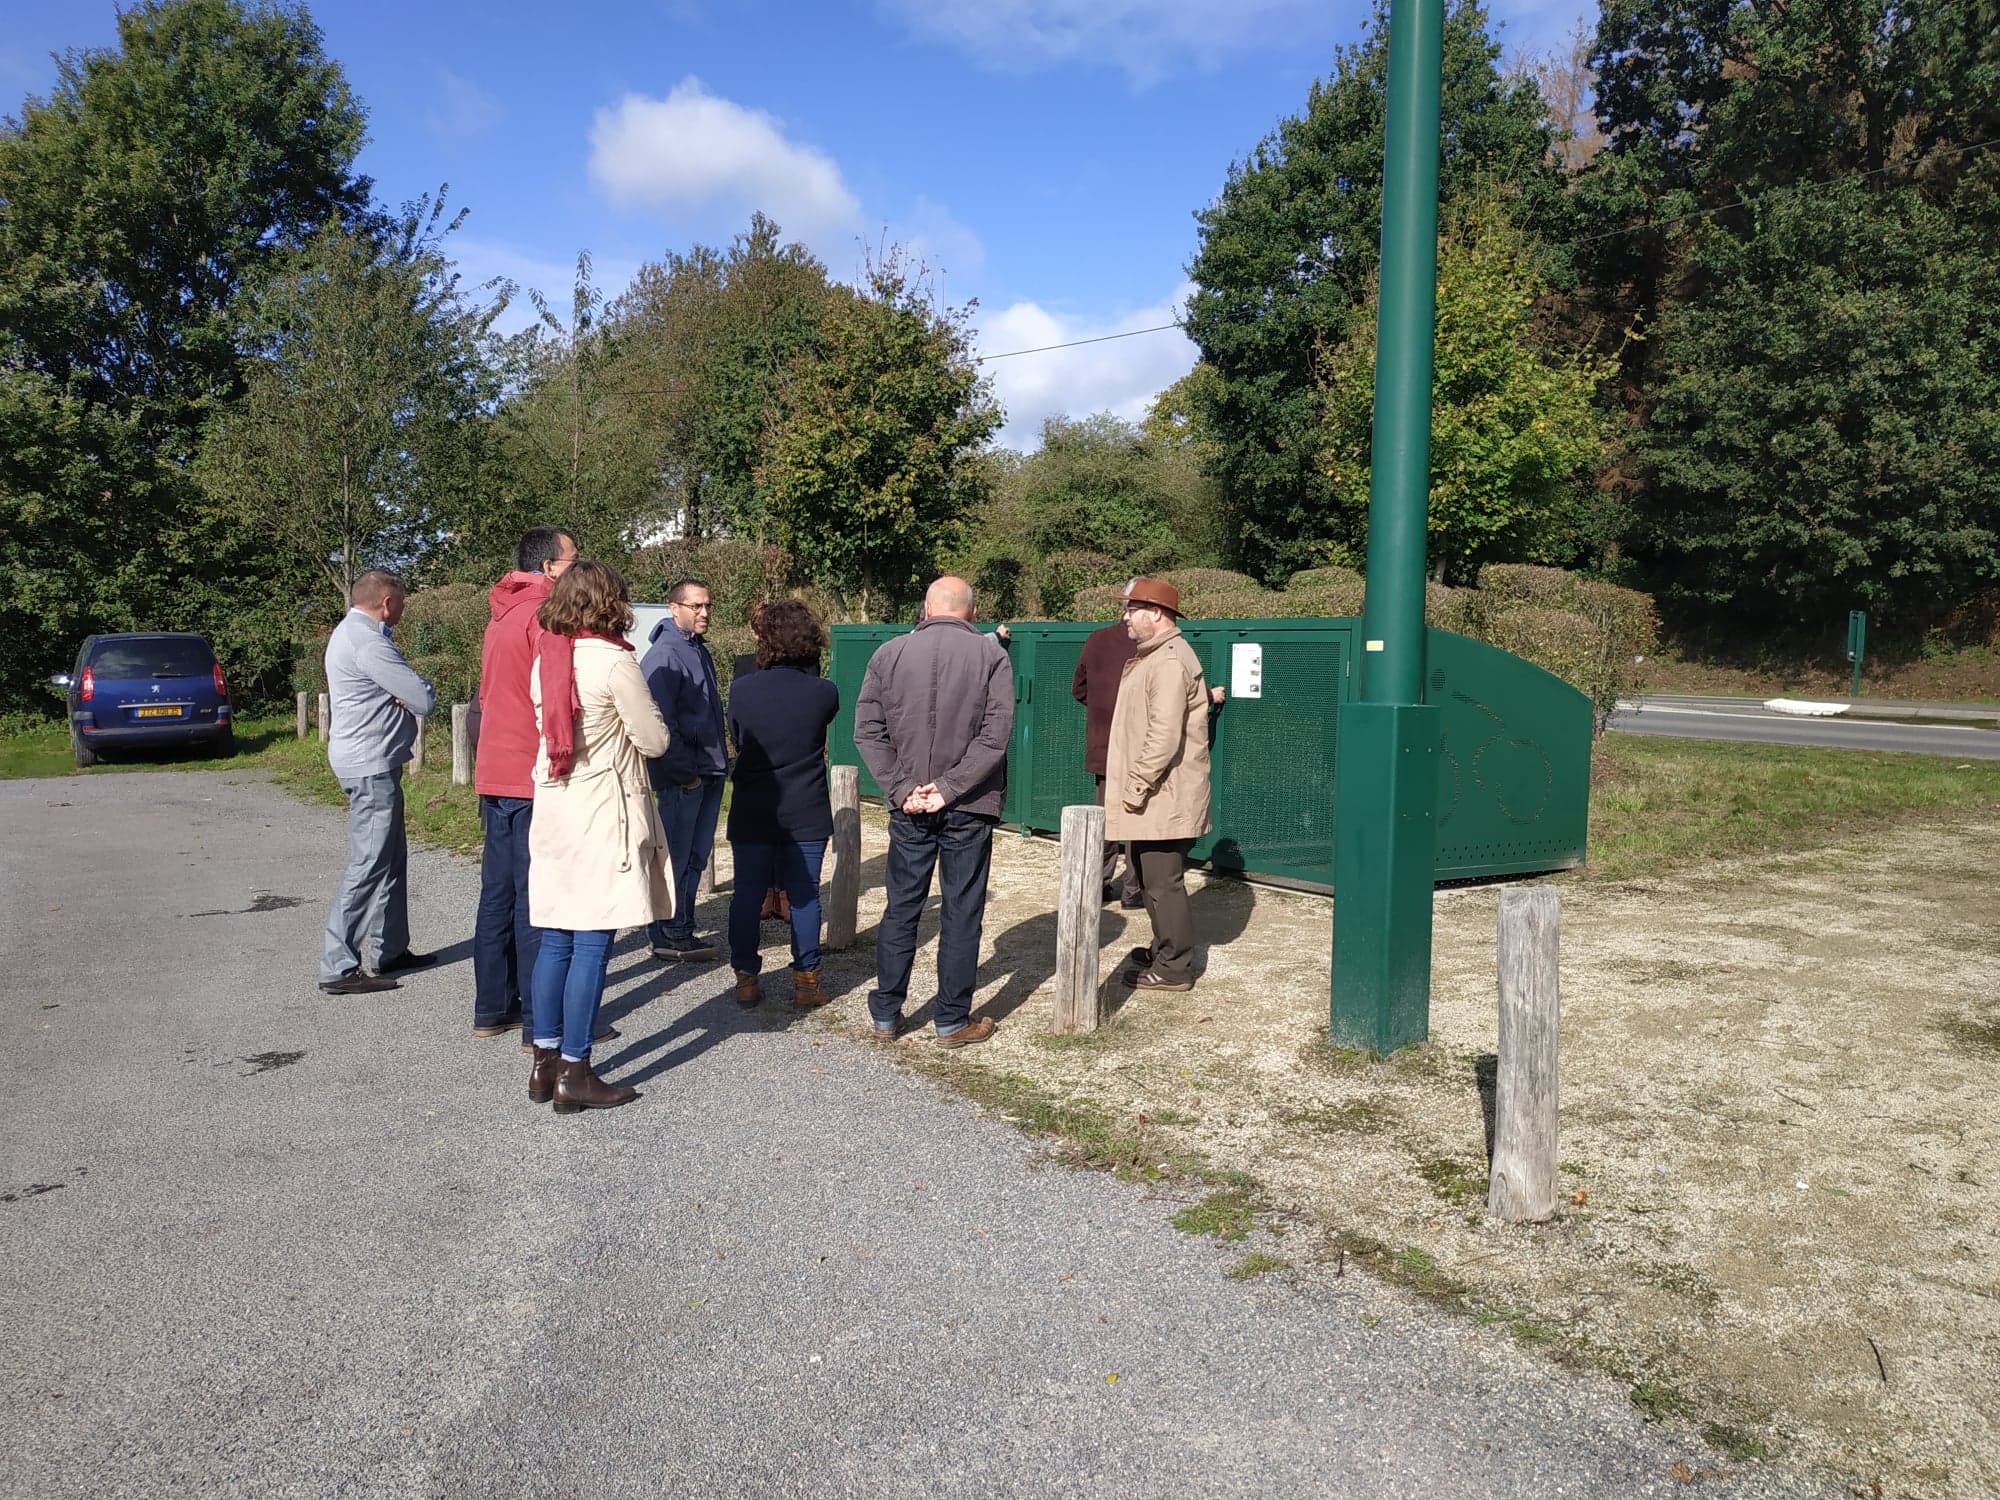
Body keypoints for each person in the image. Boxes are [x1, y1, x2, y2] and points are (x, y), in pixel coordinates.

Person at [526, 560, 671, 1113]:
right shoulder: (613, 662)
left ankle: (544, 1062)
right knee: (592, 939)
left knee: (557, 937)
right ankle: (577, 1070)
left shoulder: (550, 657)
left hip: (556, 802)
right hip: (603, 808)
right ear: (611, 602)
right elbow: (653, 741)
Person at [853, 576, 1014, 1048]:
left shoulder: (889, 654)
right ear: (971, 611)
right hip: (969, 803)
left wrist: (904, 788)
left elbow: (868, 731)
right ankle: (951, 1019)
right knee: (961, 911)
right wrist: (948, 788)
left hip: (911, 804)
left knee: (902, 907)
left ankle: (886, 1012)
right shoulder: (992, 656)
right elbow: (996, 736)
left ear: (925, 607)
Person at [470, 526, 577, 1039]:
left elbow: (486, 697)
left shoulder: (502, 614)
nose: (577, 570)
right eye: (573, 561)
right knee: (538, 896)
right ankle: (542, 1018)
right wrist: (563, 762)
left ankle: (492, 1009)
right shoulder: (547, 618)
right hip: (529, 771)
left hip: (494, 767)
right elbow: (555, 698)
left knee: (497, 894)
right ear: (551, 568)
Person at [318, 570, 438, 995]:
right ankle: (338, 964)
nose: (404, 609)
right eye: (402, 601)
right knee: (370, 862)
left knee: (390, 858)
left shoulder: (349, 633)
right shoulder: (369, 643)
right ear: (387, 601)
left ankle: (391, 948)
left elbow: (403, 694)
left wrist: (399, 693)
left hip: (371, 761)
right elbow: (423, 699)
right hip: (369, 764)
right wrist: (414, 689)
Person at [723, 600, 840, 1009]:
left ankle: (746, 978)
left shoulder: (741, 690)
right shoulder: (824, 693)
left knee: (747, 894)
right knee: (805, 896)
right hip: (806, 807)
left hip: (753, 805)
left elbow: (738, 736)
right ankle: (807, 982)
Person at [1104, 577, 1214, 995]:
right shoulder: (1157, 657)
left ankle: (1173, 967)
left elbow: (1163, 737)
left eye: (1132, 609)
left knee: (1163, 883)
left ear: (1157, 614)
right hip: (1158, 795)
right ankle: (1163, 950)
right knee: (1153, 880)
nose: (1125, 617)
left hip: (1161, 796)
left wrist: (1135, 788)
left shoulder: (1168, 661)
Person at [640, 577, 726, 963]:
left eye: (708, 605)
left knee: (696, 855)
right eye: (696, 606)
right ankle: (669, 930)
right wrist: (684, 774)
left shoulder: (696, 649)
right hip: (685, 776)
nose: (705, 612)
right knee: (677, 854)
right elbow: (660, 723)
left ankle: (679, 926)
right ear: (674, 607)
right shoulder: (666, 655)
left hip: (708, 770)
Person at [1070, 618, 1144, 910]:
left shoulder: (1097, 638)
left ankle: (1098, 883)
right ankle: (1133, 889)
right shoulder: (1149, 642)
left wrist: (1102, 707)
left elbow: (1078, 688)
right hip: (1141, 748)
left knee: (1104, 818)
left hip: (1104, 744)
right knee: (1137, 820)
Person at [732, 602, 790, 927]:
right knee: (759, 835)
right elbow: (736, 718)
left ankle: (782, 893)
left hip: (786, 762)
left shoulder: (801, 664)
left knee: (785, 833)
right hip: (754, 759)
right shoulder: (744, 665)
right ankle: (766, 892)